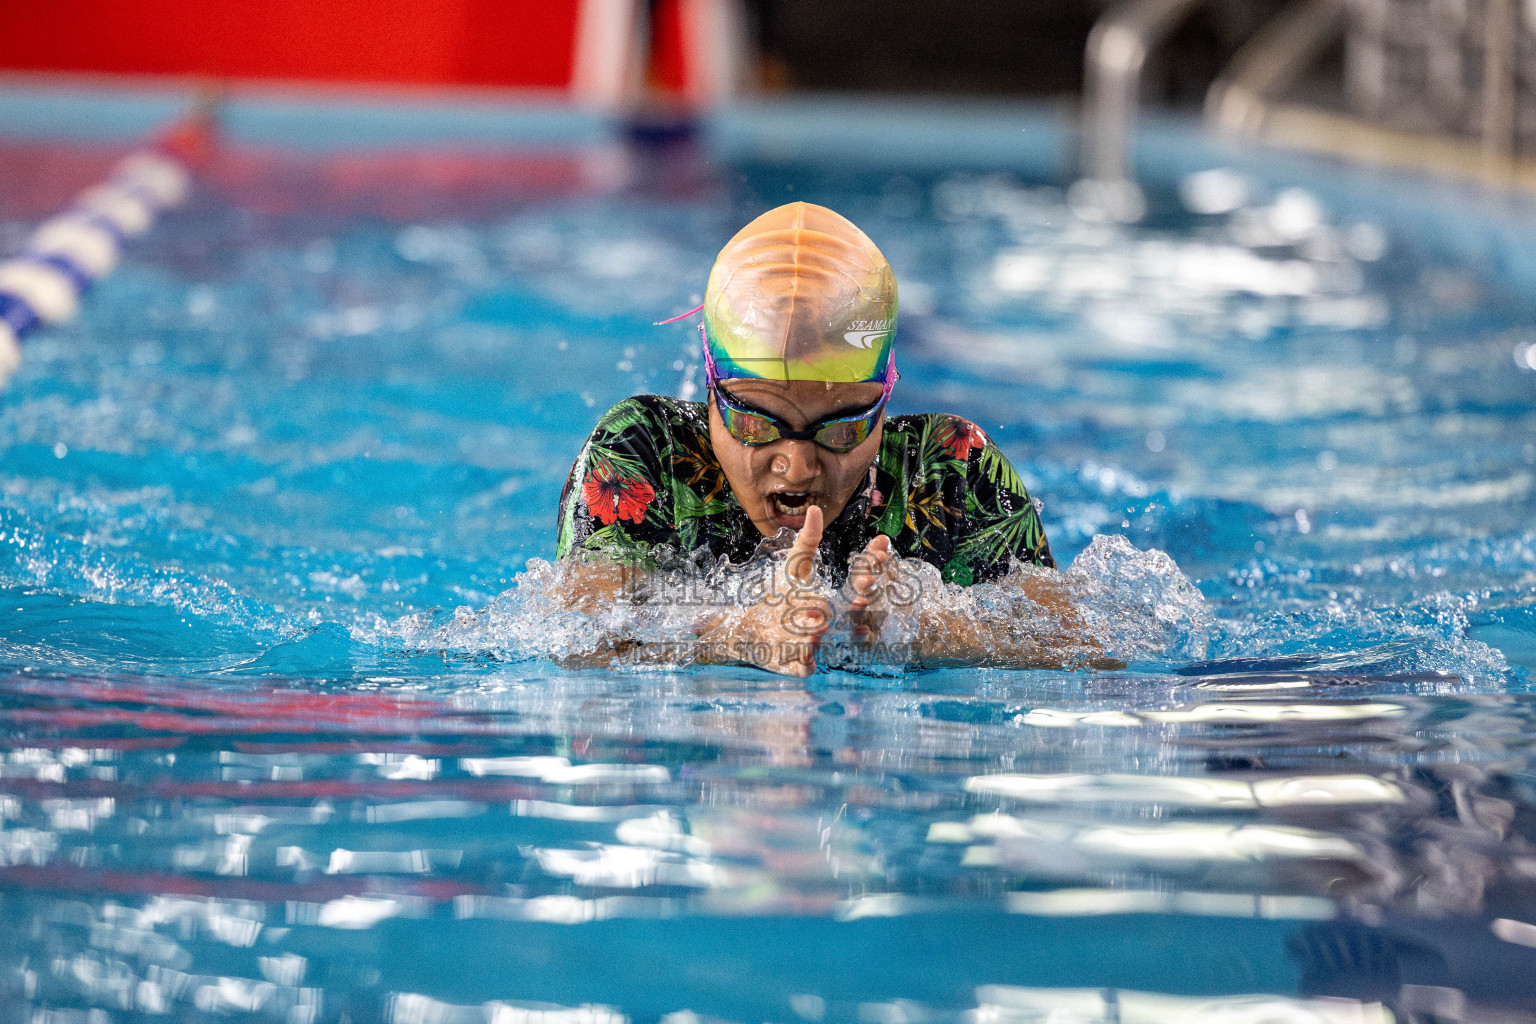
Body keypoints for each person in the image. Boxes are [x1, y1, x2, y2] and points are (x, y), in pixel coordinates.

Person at [554, 202, 1089, 677]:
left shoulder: (950, 466)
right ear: (713, 392)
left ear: (886, 397)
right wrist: (740, 631)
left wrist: (928, 628)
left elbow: (1088, 646)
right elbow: (578, 633)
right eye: (756, 423)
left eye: (842, 428)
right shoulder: (645, 450)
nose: (797, 466)